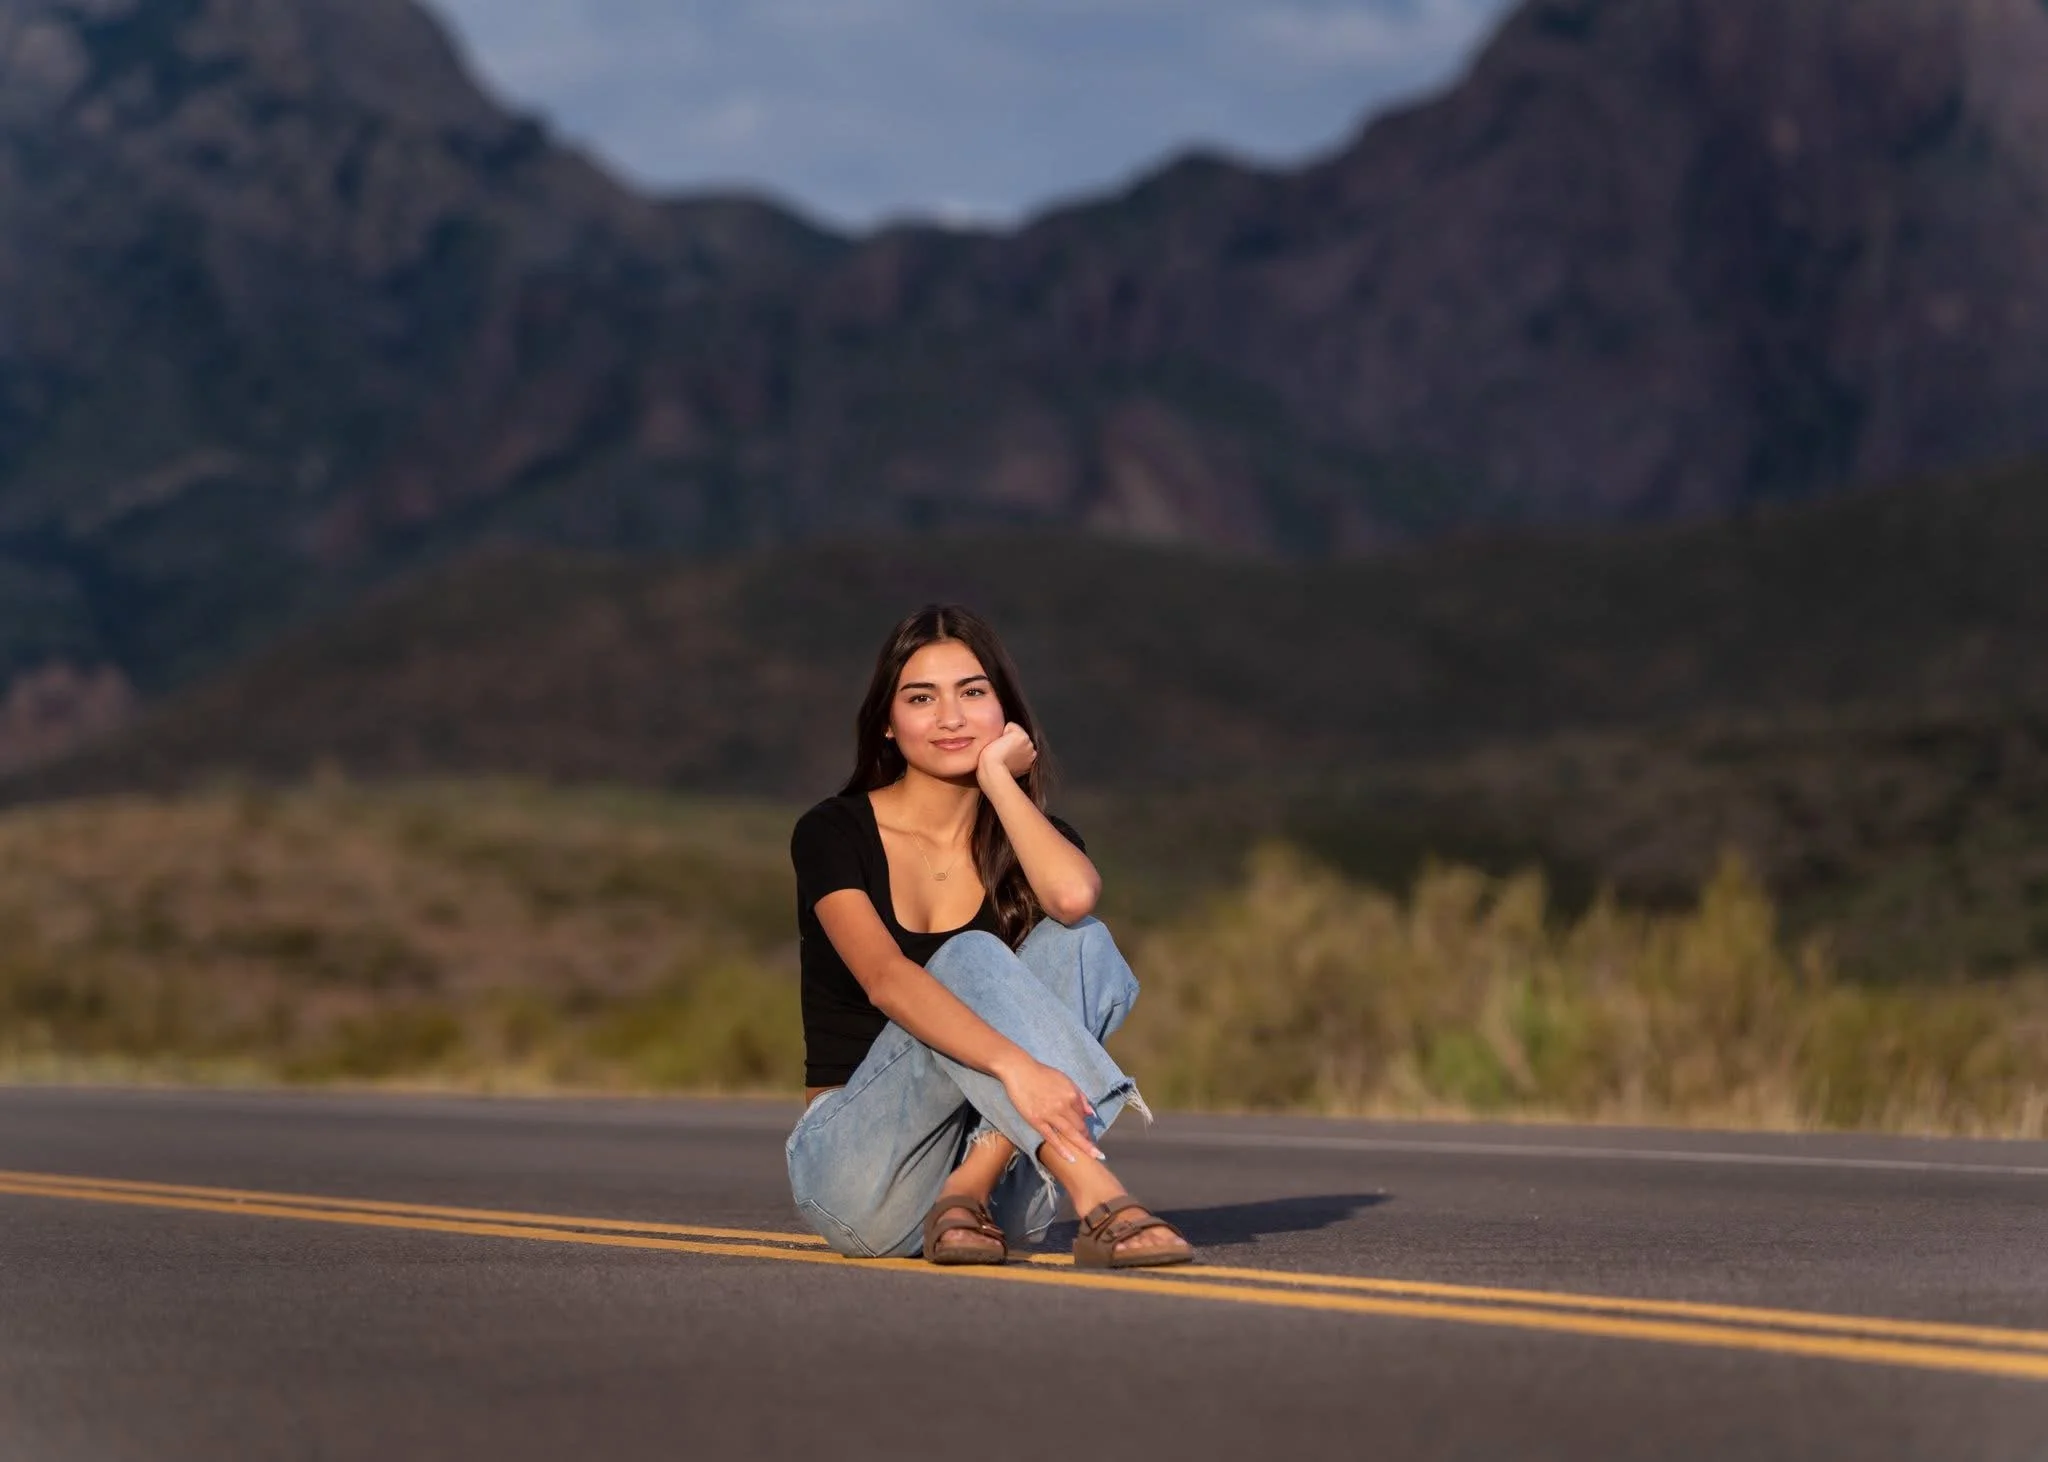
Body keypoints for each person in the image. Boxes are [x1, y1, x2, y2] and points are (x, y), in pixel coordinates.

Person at [783, 603, 1196, 1269]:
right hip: (860, 1176)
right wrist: (1016, 1067)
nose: (949, 718)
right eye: (922, 698)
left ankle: (965, 1191)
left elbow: (1072, 898)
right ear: (888, 723)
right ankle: (1097, 1191)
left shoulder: (1034, 844)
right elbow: (886, 980)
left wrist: (1000, 781)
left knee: (1081, 940)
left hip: (999, 1195)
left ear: (1004, 712)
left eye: (972, 693)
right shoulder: (833, 832)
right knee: (970, 955)